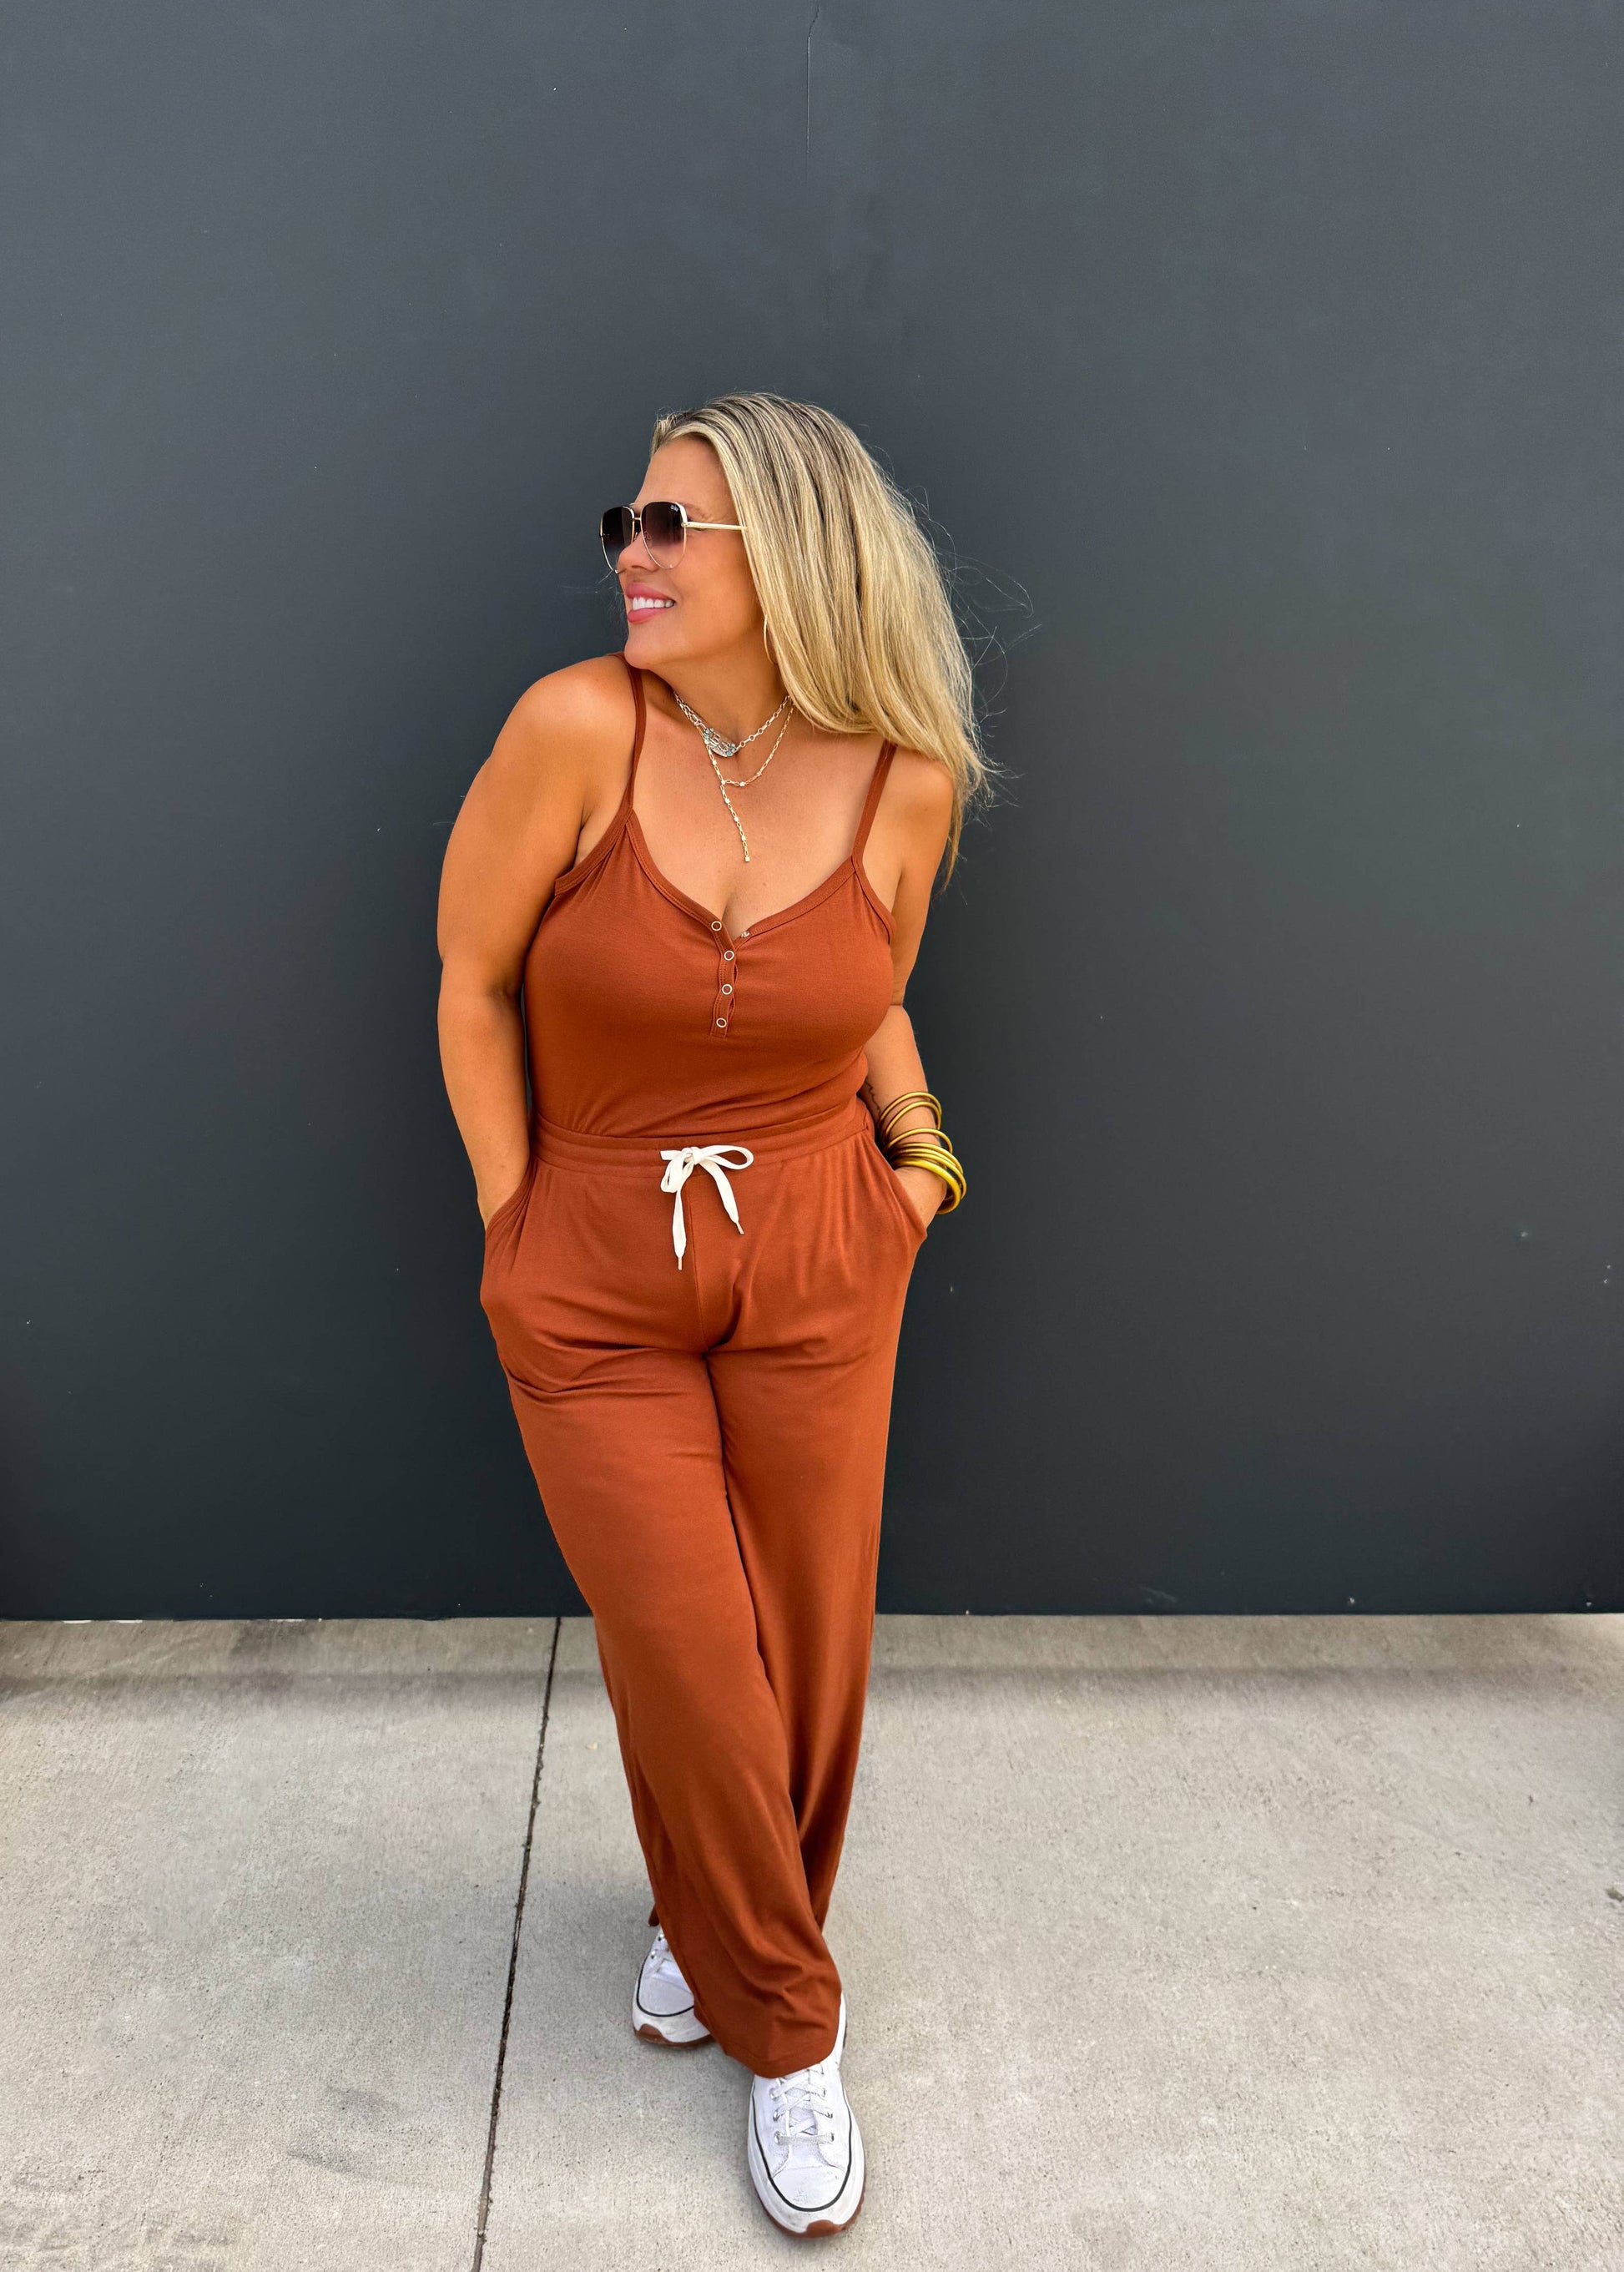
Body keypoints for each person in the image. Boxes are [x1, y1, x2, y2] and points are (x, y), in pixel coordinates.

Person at [436, 391, 982, 2236]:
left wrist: (919, 1166)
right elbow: (469, 980)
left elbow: (864, 986)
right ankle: (794, 2026)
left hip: (822, 1243)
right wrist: (516, 1218)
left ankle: (718, 1920)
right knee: (684, 1642)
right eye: (628, 520)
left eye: (673, 525)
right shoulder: (575, 729)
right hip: (593, 1264)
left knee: (805, 1646)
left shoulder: (905, 778)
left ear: (798, 556)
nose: (631, 553)